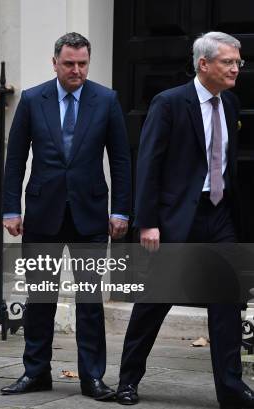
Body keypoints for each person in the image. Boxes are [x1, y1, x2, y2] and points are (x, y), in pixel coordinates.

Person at [116, 32, 254, 408]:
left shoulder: (231, 104)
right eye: (228, 61)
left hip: (219, 215)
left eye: (237, 62)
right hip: (178, 220)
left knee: (227, 302)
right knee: (154, 303)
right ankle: (128, 379)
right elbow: (149, 164)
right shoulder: (170, 103)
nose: (236, 68)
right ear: (203, 64)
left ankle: (231, 388)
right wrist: (147, 222)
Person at [0, 32, 131, 400]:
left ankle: (92, 377)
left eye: (83, 64)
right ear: (54, 62)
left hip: (90, 215)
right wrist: (11, 208)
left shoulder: (106, 100)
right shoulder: (31, 99)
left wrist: (121, 209)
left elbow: (121, 160)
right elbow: (15, 159)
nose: (77, 70)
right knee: (40, 299)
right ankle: (36, 372)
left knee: (89, 303)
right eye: (70, 63)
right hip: (43, 213)